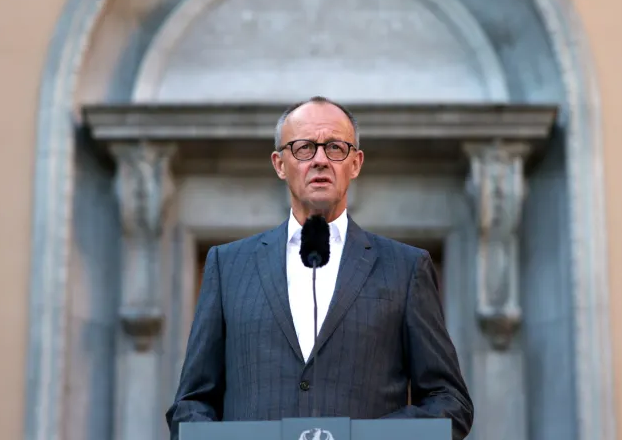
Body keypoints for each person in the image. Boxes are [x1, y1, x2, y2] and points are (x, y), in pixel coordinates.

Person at [166, 96, 474, 440]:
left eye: (335, 148)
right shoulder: (228, 266)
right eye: (303, 148)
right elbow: (190, 405)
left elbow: (449, 402)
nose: (320, 160)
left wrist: (360, 437)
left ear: (355, 163)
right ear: (279, 164)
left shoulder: (405, 268)